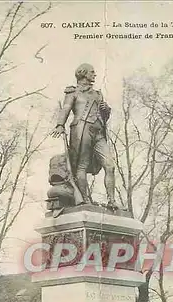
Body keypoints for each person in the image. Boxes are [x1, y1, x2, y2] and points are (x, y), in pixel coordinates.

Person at [51, 63, 117, 209]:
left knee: (110, 165)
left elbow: (103, 115)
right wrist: (60, 124)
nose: (94, 74)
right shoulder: (73, 92)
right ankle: (85, 200)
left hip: (99, 132)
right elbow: (66, 108)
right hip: (82, 129)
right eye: (92, 72)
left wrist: (107, 110)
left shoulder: (98, 94)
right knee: (81, 167)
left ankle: (112, 201)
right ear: (83, 73)